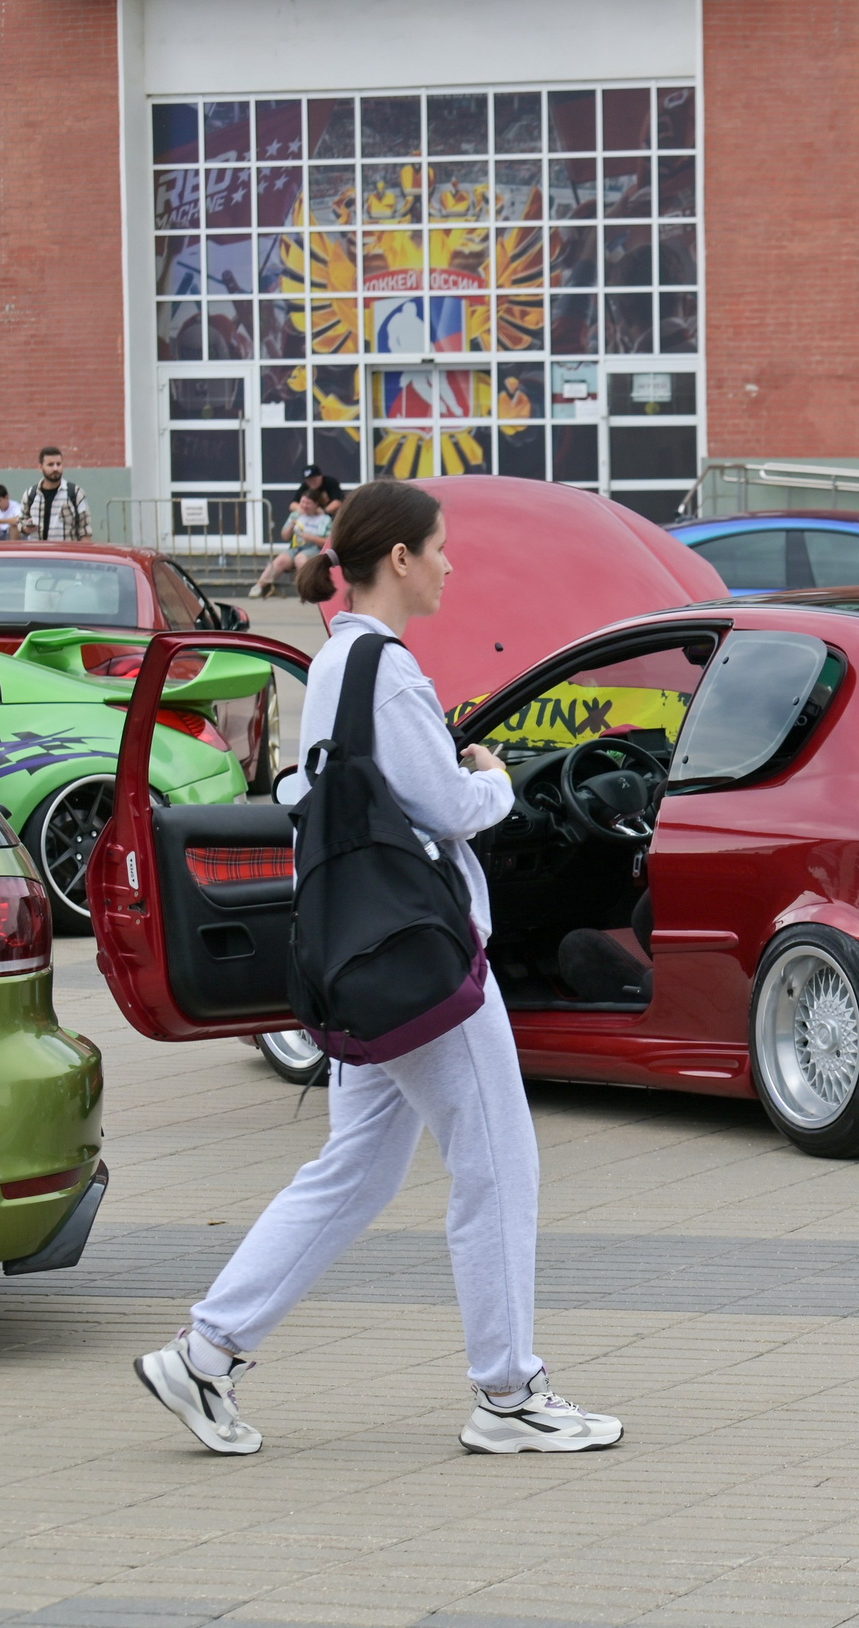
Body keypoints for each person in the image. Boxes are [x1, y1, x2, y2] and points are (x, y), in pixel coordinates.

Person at [134, 480, 623, 1459]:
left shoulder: (336, 665)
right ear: (398, 558)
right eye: (439, 548)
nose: (450, 563)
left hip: (363, 961)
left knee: (353, 1170)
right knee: (496, 1161)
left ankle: (206, 1352)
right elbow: (443, 807)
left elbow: (318, 790)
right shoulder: (387, 670)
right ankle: (508, 1390)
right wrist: (491, 782)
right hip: (422, 966)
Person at [252, 490, 334, 596]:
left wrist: (311, 537)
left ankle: (307, 589)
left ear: (316, 504)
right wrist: (291, 527)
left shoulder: (325, 519)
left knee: (300, 559)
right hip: (295, 546)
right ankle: (259, 586)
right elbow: (284, 536)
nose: (304, 506)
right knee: (281, 560)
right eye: (302, 502)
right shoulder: (296, 515)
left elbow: (328, 542)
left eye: (308, 503)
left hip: (314, 548)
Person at [17, 447, 90, 541]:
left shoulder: (75, 493)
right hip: (37, 553)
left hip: (66, 553)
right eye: (50, 465)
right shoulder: (30, 494)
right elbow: (20, 522)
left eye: (58, 464)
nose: (55, 468)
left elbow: (85, 531)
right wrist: (25, 528)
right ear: (40, 467)